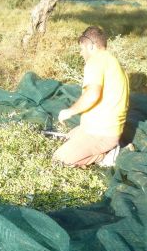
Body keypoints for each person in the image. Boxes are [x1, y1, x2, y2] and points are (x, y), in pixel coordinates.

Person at [53, 26, 129, 167]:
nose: (81, 54)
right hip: (105, 128)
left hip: (101, 132)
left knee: (59, 160)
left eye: (82, 49)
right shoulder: (111, 61)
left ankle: (105, 156)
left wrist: (69, 112)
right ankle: (99, 148)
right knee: (68, 137)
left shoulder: (96, 61)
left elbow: (93, 94)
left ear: (91, 46)